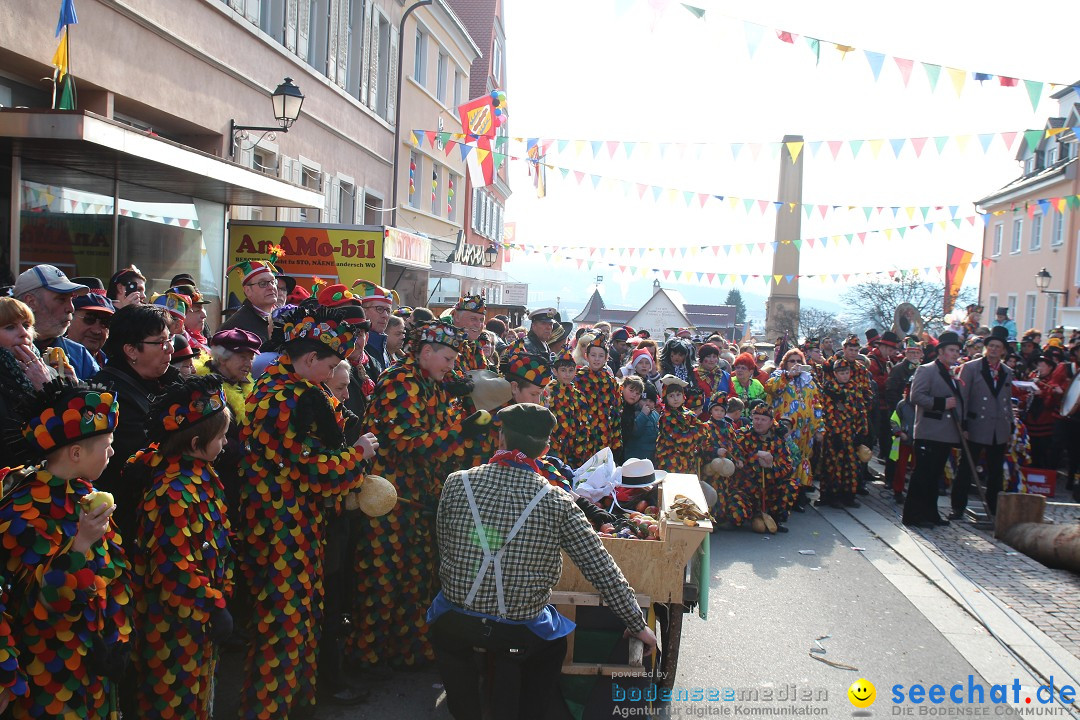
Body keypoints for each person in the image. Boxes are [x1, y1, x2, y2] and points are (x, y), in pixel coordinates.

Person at [429, 403, 656, 720]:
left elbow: (445, 545)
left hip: (456, 620)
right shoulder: (556, 500)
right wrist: (637, 623)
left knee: (449, 638)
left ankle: (464, 710)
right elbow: (601, 568)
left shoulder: (457, 482)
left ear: (501, 439)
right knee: (550, 646)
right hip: (517, 630)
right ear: (546, 449)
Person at [237, 305, 378, 719]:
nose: (335, 374)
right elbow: (310, 468)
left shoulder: (298, 390)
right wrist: (358, 455)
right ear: (311, 360)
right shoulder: (284, 398)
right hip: (280, 527)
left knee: (301, 620)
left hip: (300, 523)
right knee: (281, 625)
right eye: (331, 365)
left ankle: (293, 704)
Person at [0, 379, 132, 718]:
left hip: (93, 664)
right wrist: (82, 542)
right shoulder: (21, 511)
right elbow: (51, 600)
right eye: (107, 445)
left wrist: (116, 638)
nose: (113, 453)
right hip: (51, 674)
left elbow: (111, 574)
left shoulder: (83, 492)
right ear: (76, 453)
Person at [351, 319, 471, 670]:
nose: (452, 367)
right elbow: (409, 444)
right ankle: (367, 658)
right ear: (427, 352)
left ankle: (409, 651)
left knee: (416, 579)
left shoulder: (433, 382)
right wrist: (464, 431)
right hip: (390, 500)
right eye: (448, 359)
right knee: (381, 580)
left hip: (420, 498)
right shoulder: (400, 381)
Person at [128, 375, 234, 719]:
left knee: (197, 696)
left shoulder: (197, 471)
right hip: (175, 623)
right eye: (221, 437)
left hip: (197, 615)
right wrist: (213, 605)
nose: (226, 443)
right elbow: (174, 564)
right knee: (173, 700)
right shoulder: (174, 490)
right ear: (195, 443)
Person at [94, 303, 182, 538]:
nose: (170, 350)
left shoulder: (159, 383)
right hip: (126, 522)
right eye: (160, 342)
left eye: (170, 339)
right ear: (131, 350)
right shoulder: (108, 395)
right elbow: (145, 457)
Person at [902, 331, 964, 528]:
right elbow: (916, 397)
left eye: (957, 351)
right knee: (923, 474)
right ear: (941, 351)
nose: (955, 354)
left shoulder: (954, 372)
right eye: (951, 350)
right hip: (929, 431)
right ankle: (913, 514)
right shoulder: (926, 370)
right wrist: (942, 403)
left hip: (946, 432)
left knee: (935, 475)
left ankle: (931, 512)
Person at [952, 326, 1014, 519]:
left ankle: (993, 508)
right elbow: (962, 398)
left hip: (998, 428)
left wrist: (1011, 427)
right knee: (966, 469)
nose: (994, 350)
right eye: (991, 346)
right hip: (976, 425)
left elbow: (1007, 400)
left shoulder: (1007, 371)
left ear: (1003, 351)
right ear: (986, 348)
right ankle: (958, 506)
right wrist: (963, 425)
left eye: (998, 347)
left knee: (996, 471)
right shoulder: (971, 368)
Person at [13, 264, 99, 381]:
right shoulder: (6, 349)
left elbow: (104, 397)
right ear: (31, 302)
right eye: (61, 299)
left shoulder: (79, 354)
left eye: (71, 299)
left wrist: (76, 389)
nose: (71, 308)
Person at [765, 348, 822, 511]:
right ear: (785, 363)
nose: (796, 364)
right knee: (784, 460)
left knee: (801, 461)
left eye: (799, 361)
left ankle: (798, 496)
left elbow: (816, 404)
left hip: (805, 431)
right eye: (792, 361)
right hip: (785, 429)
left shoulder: (809, 381)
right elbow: (770, 389)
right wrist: (788, 375)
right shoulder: (778, 376)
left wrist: (819, 428)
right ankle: (781, 498)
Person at [727, 403, 798, 532]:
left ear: (771, 422)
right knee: (736, 514)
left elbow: (787, 467)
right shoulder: (742, 436)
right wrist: (755, 456)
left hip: (769, 491)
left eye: (763, 420)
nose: (759, 423)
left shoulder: (778, 441)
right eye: (756, 418)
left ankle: (775, 519)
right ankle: (748, 517)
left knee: (791, 485)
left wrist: (772, 466)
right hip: (746, 489)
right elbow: (734, 458)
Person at [817, 357, 864, 509]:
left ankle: (849, 496)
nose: (844, 375)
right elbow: (827, 413)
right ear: (835, 374)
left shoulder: (854, 388)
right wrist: (835, 432)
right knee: (833, 465)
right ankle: (831, 496)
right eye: (841, 373)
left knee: (851, 466)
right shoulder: (829, 388)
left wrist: (861, 431)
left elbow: (860, 410)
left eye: (846, 372)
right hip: (834, 434)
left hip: (851, 433)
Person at [0, 297, 52, 424]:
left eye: (26, 325)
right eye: (10, 327)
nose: (24, 333)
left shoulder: (49, 372)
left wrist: (67, 386)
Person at [576, 333, 622, 459]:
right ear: (586, 356)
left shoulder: (611, 381)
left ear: (606, 358)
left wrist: (616, 439)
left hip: (604, 435)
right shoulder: (578, 378)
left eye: (601, 356)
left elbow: (616, 412)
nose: (597, 359)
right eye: (593, 355)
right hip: (583, 436)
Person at [655, 375, 709, 474]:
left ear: (683, 396)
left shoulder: (689, 413)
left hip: (689, 462)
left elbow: (704, 431)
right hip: (670, 461)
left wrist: (692, 433)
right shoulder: (666, 417)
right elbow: (679, 439)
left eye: (678, 394)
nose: (675, 399)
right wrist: (694, 433)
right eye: (671, 396)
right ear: (666, 398)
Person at [221, 259, 280, 346]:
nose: (271, 287)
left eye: (273, 281)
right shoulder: (236, 327)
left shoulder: (283, 316)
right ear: (248, 290)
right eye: (263, 283)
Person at [546, 347, 587, 467]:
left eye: (571, 370)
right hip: (553, 444)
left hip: (573, 444)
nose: (567, 374)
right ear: (554, 371)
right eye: (563, 370)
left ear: (575, 371)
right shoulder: (548, 391)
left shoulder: (579, 395)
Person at [352, 279, 397, 380]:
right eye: (379, 309)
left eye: (388, 310)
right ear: (364, 310)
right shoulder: (357, 346)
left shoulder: (383, 346)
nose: (385, 315)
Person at [68, 292, 115, 366]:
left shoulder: (112, 365)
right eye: (89, 319)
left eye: (105, 322)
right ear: (70, 319)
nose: (96, 331)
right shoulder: (52, 358)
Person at [889, 381, 917, 503]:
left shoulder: (923, 404)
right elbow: (894, 421)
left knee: (916, 468)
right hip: (904, 441)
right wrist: (900, 433)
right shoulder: (902, 404)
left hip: (918, 441)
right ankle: (898, 491)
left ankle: (915, 492)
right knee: (900, 467)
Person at [690, 343, 733, 419]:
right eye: (708, 356)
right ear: (701, 358)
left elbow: (733, 395)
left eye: (714, 356)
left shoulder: (725, 376)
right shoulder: (692, 375)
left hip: (720, 419)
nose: (712, 360)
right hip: (699, 420)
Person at [626, 382, 660, 463]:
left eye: (651, 401)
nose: (647, 403)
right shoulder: (634, 414)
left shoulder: (656, 414)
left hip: (651, 457)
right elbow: (635, 432)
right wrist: (643, 415)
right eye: (644, 400)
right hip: (636, 457)